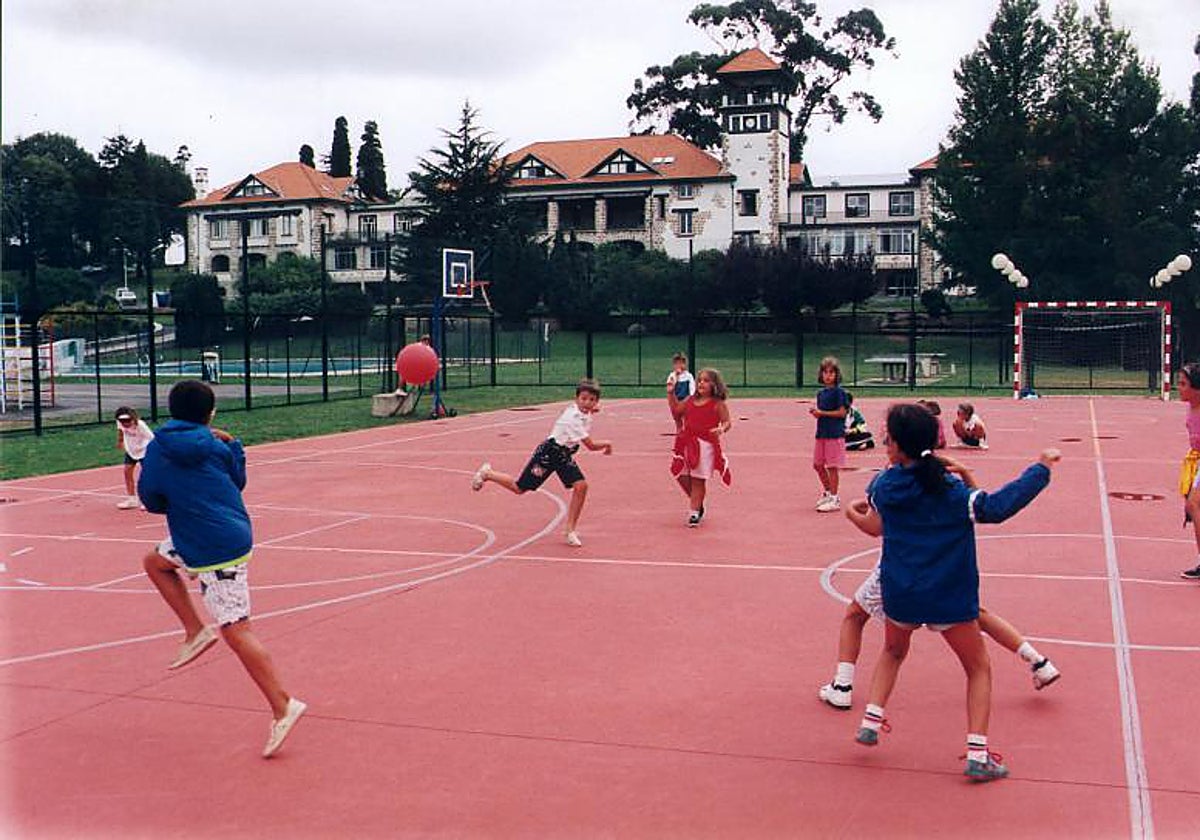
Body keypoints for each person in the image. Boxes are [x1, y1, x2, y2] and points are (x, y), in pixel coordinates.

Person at [844, 402, 1059, 782]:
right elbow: (996, 508)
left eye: (888, 436)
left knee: (893, 651)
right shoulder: (952, 491)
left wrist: (851, 512)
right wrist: (1040, 468)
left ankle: (871, 721)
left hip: (901, 592)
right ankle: (977, 754)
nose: (884, 440)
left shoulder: (883, 486)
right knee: (977, 668)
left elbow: (875, 524)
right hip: (948, 594)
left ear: (896, 445)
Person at [138, 380, 306, 758]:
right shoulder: (217, 444)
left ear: (171, 410)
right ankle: (195, 630)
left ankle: (283, 705)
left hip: (213, 548)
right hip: (222, 533)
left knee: (236, 630)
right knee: (155, 561)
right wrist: (235, 446)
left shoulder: (156, 450)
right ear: (209, 413)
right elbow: (238, 481)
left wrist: (180, 496)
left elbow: (150, 499)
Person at [472, 378, 613, 547]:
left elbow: (590, 409)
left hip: (564, 456)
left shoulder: (584, 410)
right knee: (519, 488)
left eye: (591, 400)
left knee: (581, 486)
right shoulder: (572, 419)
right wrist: (607, 444)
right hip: (548, 455)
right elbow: (590, 446)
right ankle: (488, 474)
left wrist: (592, 408)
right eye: (583, 399)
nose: (587, 403)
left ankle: (570, 530)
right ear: (576, 398)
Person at [668, 367, 732, 527]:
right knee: (680, 474)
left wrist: (721, 429)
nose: (701, 383)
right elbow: (676, 411)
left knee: (698, 480)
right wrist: (671, 393)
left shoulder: (718, 404)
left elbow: (727, 422)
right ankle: (697, 501)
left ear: (714, 385)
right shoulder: (690, 400)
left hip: (705, 446)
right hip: (686, 443)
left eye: (706, 380)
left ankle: (694, 512)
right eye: (699, 380)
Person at [810, 357, 850, 511]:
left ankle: (834, 498)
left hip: (834, 434)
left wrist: (822, 413)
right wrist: (817, 414)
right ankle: (827, 492)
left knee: (832, 466)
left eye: (831, 372)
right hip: (822, 433)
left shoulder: (839, 393)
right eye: (825, 372)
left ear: (836, 375)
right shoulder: (821, 393)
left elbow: (841, 413)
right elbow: (822, 413)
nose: (828, 376)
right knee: (818, 464)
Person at [1176, 363, 1200, 579]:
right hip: (1196, 461)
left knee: (1194, 504)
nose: (1179, 387)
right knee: (1193, 506)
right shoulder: (1190, 406)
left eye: (1183, 384)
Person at [114, 406, 154, 509]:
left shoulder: (141, 425)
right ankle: (132, 499)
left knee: (146, 476)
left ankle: (148, 501)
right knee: (127, 471)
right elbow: (120, 431)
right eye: (122, 421)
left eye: (127, 421)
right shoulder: (120, 422)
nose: (124, 423)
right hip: (131, 450)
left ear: (132, 419)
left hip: (144, 450)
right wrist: (120, 441)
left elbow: (152, 438)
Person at [666, 351, 696, 431]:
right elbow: (670, 388)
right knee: (677, 419)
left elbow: (692, 390)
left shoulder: (689, 376)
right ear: (674, 365)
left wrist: (690, 399)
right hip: (675, 400)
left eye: (682, 363)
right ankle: (679, 429)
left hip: (685, 400)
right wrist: (676, 375)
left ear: (685, 364)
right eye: (677, 364)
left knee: (687, 417)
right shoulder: (672, 375)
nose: (679, 366)